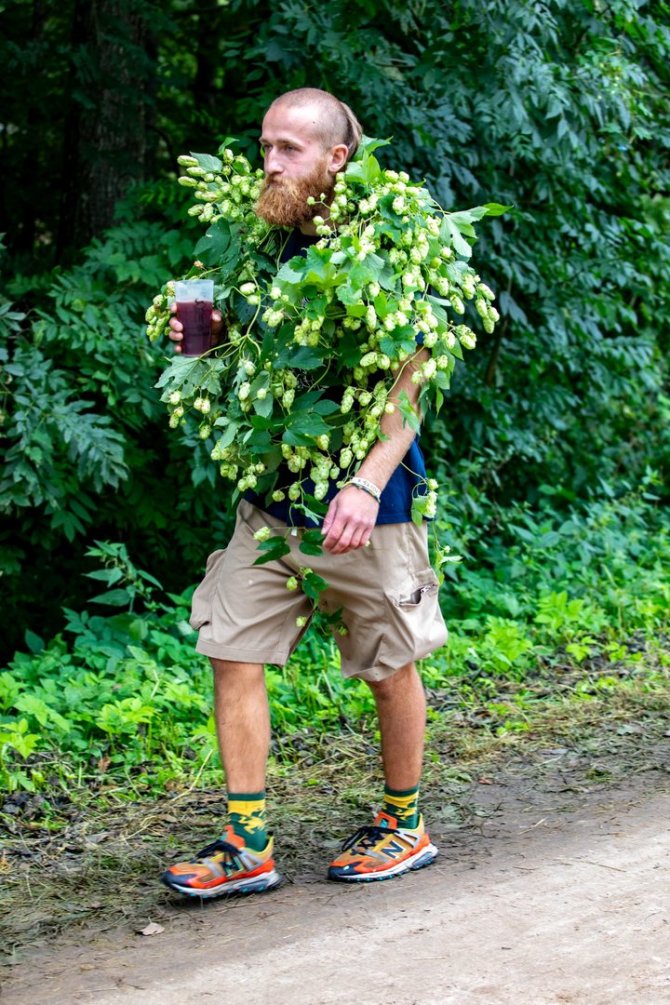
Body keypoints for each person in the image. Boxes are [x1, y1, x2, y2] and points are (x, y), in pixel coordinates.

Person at [161, 88, 448, 898]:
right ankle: (246, 842)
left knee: (390, 661)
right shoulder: (258, 245)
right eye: (264, 147)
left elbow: (409, 383)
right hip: (273, 498)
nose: (271, 162)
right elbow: (251, 363)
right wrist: (211, 343)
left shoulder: (385, 245)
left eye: (289, 148)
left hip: (367, 504)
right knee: (229, 640)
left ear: (338, 159)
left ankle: (404, 821)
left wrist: (365, 483)